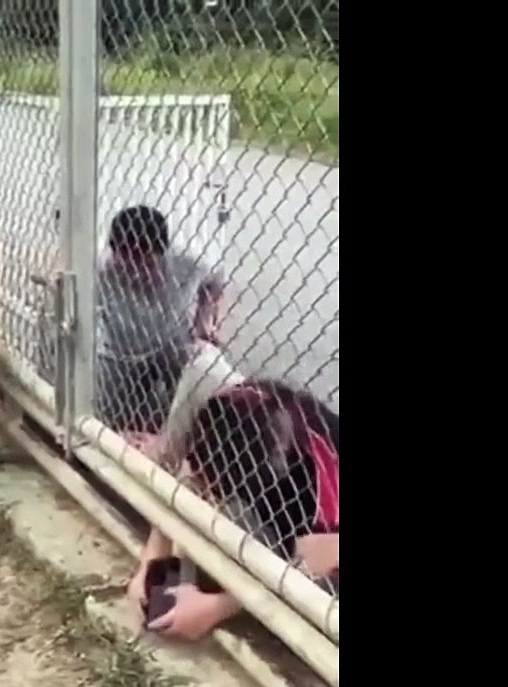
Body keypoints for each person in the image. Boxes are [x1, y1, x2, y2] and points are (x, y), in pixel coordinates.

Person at [126, 345, 340, 641]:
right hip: (275, 452)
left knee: (309, 572)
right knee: (202, 368)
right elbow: (191, 471)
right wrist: (151, 559)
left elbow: (303, 573)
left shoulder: (318, 502)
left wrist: (214, 608)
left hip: (321, 528)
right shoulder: (239, 401)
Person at [94, 205, 223, 436]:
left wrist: (204, 324)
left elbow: (214, 282)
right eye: (127, 264)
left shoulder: (187, 263)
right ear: (114, 253)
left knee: (191, 407)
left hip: (173, 343)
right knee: (115, 423)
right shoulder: (100, 269)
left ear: (163, 253)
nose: (136, 273)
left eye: (146, 264)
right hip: (123, 352)